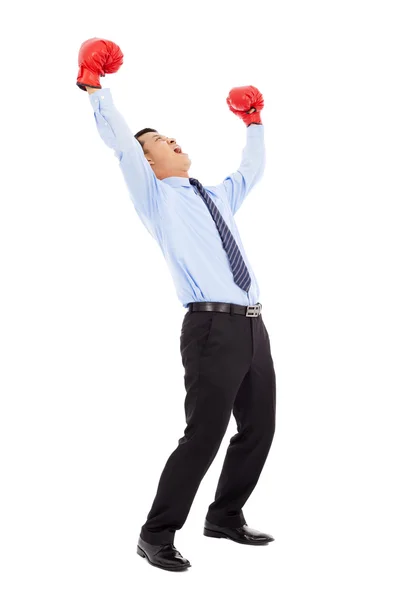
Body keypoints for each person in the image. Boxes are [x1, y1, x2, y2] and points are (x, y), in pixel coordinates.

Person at [77, 37, 276, 572]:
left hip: (254, 327)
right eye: (161, 140)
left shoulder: (217, 195)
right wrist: (96, 87)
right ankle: (155, 532)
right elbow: (121, 143)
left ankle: (225, 516)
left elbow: (252, 170)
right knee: (204, 434)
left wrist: (254, 122)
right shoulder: (155, 195)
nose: (173, 140)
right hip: (210, 327)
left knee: (259, 427)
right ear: (149, 159)